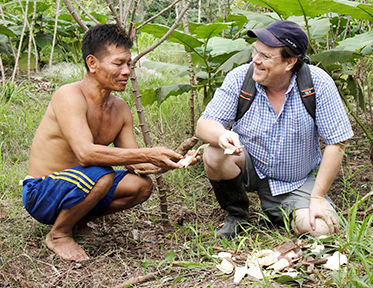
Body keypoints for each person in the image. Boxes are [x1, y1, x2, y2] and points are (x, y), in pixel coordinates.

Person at [22, 24, 195, 261]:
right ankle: (59, 234)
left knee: (141, 186)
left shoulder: (120, 108)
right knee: (101, 174)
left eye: (129, 64)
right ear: (92, 63)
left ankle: (76, 220)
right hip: (41, 192)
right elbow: (85, 154)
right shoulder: (69, 95)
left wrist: (173, 159)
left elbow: (138, 165)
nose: (126, 71)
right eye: (118, 63)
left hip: (84, 184)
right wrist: (148, 153)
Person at [195, 20, 353, 239]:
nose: (255, 60)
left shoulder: (317, 84)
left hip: (295, 180)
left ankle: (277, 212)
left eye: (265, 56)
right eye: (255, 52)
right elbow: (204, 125)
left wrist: (318, 197)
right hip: (250, 167)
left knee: (322, 230)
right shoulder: (240, 78)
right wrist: (222, 135)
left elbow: (337, 142)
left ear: (290, 62)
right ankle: (237, 215)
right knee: (213, 152)